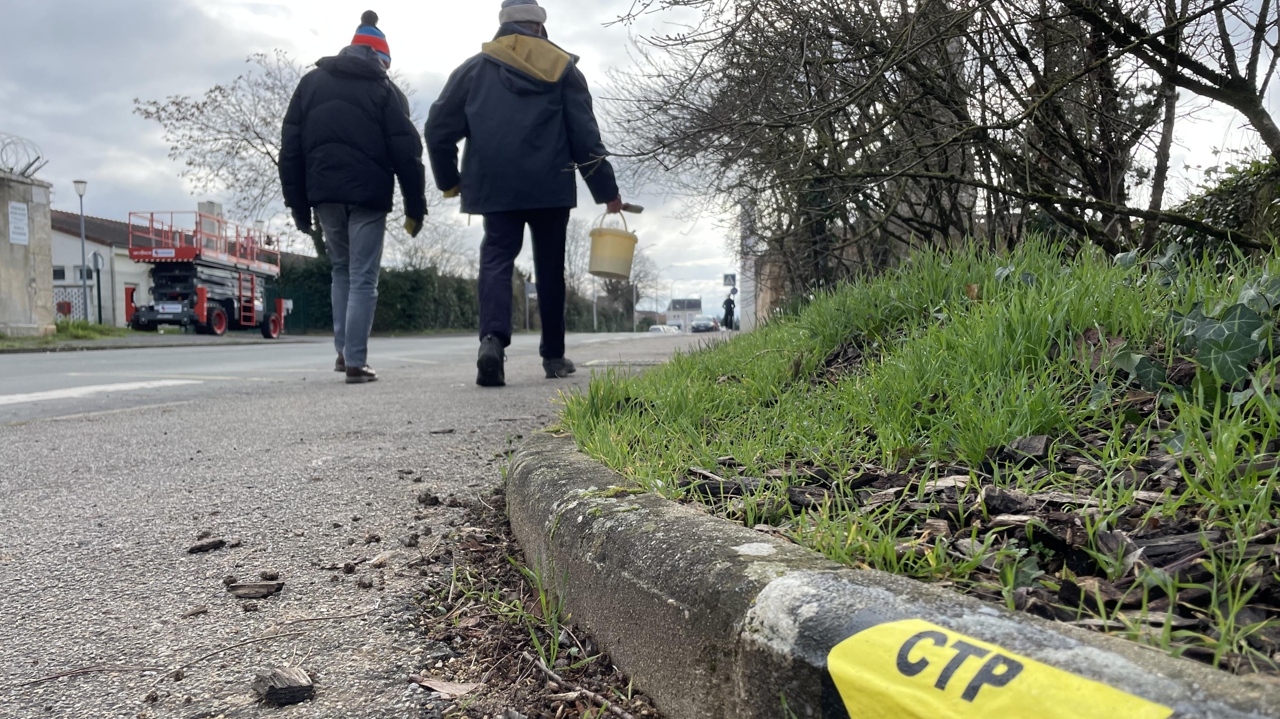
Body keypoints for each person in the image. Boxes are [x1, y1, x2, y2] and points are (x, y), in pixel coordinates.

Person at [426, 0, 623, 388]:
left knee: (497, 257)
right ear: (539, 28)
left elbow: (437, 130)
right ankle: (553, 356)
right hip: (551, 183)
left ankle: (492, 343)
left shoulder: (474, 69)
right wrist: (607, 191)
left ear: (504, 26)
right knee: (550, 267)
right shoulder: (562, 67)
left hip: (494, 184)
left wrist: (450, 180)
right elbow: (585, 136)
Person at [280, 10, 427, 385]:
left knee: (341, 270)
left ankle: (344, 353)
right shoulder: (386, 92)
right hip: (368, 196)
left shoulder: (310, 84)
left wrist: (298, 205)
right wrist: (415, 207)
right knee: (363, 276)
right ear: (381, 60)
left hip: (324, 194)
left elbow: (291, 148)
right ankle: (357, 362)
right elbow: (407, 153)